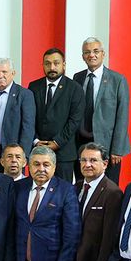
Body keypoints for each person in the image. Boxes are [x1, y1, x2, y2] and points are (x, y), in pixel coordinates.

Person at [11, 145, 80, 261]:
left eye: (46, 164)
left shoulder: (66, 190)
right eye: (36, 164)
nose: (41, 169)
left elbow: (72, 233)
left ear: (54, 167)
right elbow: (11, 227)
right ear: (29, 166)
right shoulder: (18, 187)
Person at [72, 38, 130, 182]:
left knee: (108, 187)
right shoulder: (77, 78)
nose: (91, 55)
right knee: (82, 184)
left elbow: (122, 116)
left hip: (107, 146)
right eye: (87, 52)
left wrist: (117, 149)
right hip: (81, 143)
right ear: (83, 56)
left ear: (103, 54)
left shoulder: (117, 80)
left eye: (96, 51)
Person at [73, 143, 123, 261]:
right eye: (83, 160)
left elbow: (110, 235)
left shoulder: (112, 192)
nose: (87, 164)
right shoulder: (76, 187)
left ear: (105, 164)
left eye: (93, 160)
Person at [27, 48, 85, 183]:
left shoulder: (75, 88)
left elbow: (74, 121)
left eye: (56, 63)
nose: (52, 67)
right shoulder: (34, 86)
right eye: (47, 63)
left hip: (63, 153)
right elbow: (29, 118)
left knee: (61, 191)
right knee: (37, 189)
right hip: (38, 151)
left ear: (63, 65)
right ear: (43, 65)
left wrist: (57, 142)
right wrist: (35, 140)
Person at [0, 58, 35, 156]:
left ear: (13, 73)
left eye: (4, 72)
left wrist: (22, 155)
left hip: (12, 153)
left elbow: (28, 128)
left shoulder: (24, 94)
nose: (0, 76)